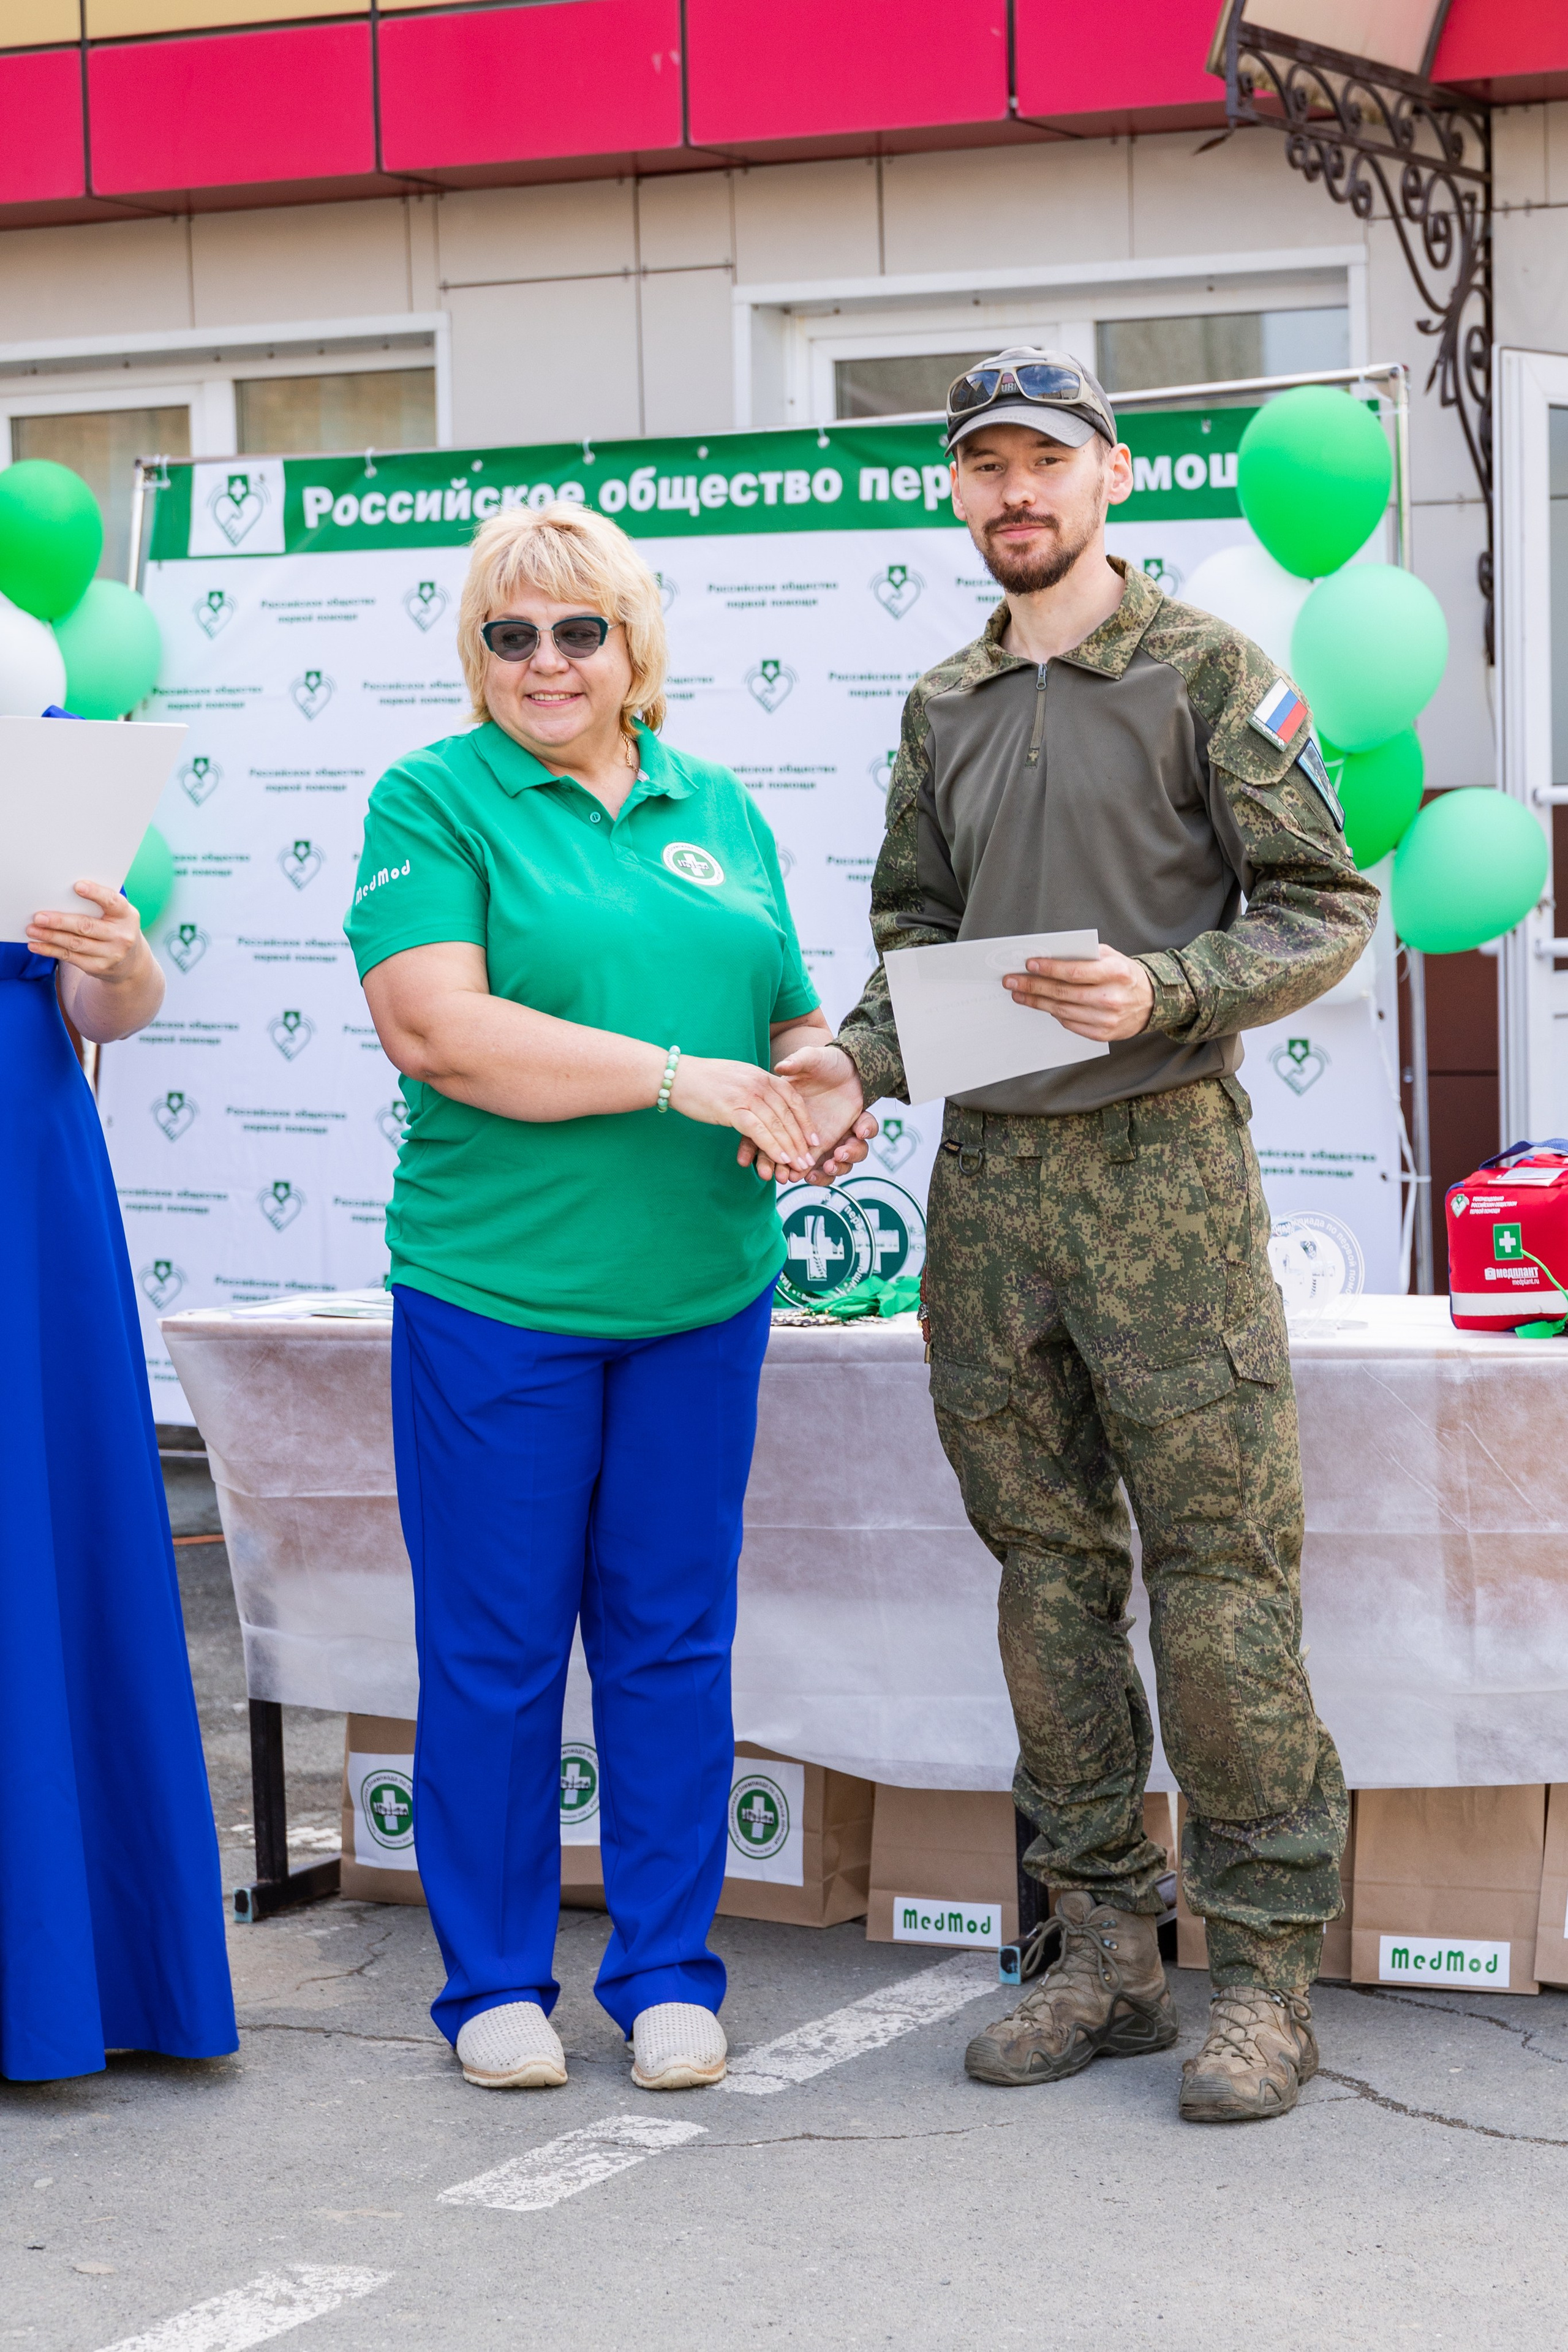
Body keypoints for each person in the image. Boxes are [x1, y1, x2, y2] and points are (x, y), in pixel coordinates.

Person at [818, 350, 1380, 2122]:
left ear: (1111, 477)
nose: (1012, 496)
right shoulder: (944, 707)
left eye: (1042, 464)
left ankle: (1268, 1976)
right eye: (982, 468)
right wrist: (844, 1064)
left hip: (1164, 1181)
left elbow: (1326, 904)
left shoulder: (1214, 673)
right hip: (989, 1197)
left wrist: (1171, 984)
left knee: (1219, 1588)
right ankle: (1109, 1957)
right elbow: (916, 938)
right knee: (1047, 1586)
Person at [348, 504, 870, 2095]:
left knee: (667, 1643)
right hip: (500, 1298)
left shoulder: (718, 805)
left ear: (633, 644)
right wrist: (674, 1080)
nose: (546, 662)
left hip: (702, 1300)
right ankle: (495, 1982)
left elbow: (786, 1015)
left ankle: (663, 1969)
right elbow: (438, 1030)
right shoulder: (434, 798)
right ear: (477, 657)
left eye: (578, 629)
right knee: (496, 1651)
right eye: (510, 635)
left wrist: (823, 1077)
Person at [3, 862, 236, 2082]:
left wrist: (121, 965)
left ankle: (59, 1976)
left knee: (35, 1533)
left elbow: (106, 1010)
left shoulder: (33, 757)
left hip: (18, 1164)